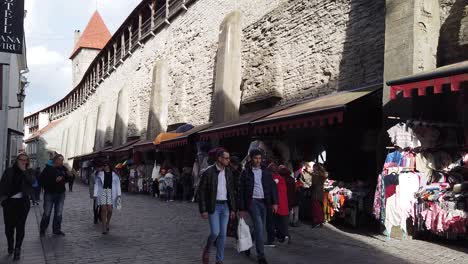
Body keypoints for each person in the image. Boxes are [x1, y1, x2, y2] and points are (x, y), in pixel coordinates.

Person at [239, 149, 278, 264]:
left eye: (260, 158)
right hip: (252, 202)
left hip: (264, 202)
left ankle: (247, 246)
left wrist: (275, 202)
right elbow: (241, 191)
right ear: (251, 158)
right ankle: (261, 256)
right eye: (256, 158)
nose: (258, 160)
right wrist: (242, 208)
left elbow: (272, 188)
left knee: (258, 228)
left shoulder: (265, 171)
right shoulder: (245, 172)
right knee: (260, 228)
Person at [199, 149, 236, 264]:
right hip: (213, 205)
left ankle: (219, 260)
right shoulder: (208, 172)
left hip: (225, 206)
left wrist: (233, 208)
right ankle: (207, 249)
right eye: (226, 158)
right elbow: (202, 192)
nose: (228, 160)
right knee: (215, 232)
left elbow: (231, 191)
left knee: (223, 235)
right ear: (219, 159)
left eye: (228, 158)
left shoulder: (229, 172)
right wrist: (203, 210)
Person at [0, 154, 34, 260]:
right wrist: (3, 201)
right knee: (8, 228)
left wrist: (25, 171)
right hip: (10, 203)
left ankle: (17, 249)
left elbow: (34, 184)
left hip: (23, 203)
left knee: (20, 226)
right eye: (21, 160)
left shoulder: (29, 172)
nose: (23, 162)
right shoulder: (9, 171)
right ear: (17, 160)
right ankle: (10, 245)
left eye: (25, 160)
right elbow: (2, 186)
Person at [39, 154, 69, 236]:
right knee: (47, 212)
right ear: (55, 160)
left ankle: (56, 230)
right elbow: (41, 181)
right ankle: (43, 230)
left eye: (62, 160)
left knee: (59, 213)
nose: (62, 162)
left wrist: (69, 175)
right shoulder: (47, 169)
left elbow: (66, 178)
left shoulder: (63, 168)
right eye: (61, 160)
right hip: (49, 194)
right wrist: (54, 180)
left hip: (61, 193)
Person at [93, 161, 121, 234]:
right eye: (104, 165)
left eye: (106, 165)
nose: (105, 167)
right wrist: (95, 194)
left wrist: (119, 194)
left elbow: (118, 184)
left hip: (111, 192)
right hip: (103, 192)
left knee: (110, 210)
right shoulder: (100, 174)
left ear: (109, 166)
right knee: (103, 209)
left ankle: (108, 222)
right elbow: (96, 184)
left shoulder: (114, 174)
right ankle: (104, 226)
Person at [274, 166, 290, 243]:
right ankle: (285, 236)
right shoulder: (289, 179)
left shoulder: (277, 178)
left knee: (280, 222)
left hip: (279, 203)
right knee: (284, 223)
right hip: (285, 203)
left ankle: (284, 236)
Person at [310, 163, 328, 228]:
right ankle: (320, 221)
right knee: (319, 207)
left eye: (313, 167)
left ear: (316, 168)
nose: (312, 168)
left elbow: (314, 184)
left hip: (316, 192)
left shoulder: (315, 174)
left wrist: (310, 187)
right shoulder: (322, 174)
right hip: (321, 191)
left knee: (315, 207)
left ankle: (317, 221)